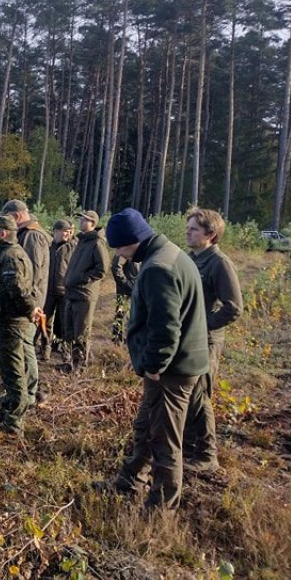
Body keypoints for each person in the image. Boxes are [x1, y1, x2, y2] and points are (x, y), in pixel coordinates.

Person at [99, 208, 208, 511]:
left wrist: (155, 366)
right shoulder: (170, 253)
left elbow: (165, 327)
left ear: (132, 241)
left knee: (165, 441)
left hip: (172, 370)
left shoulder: (158, 268)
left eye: (119, 247)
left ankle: (160, 510)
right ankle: (129, 480)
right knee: (146, 427)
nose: (119, 254)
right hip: (178, 363)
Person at [184, 208, 243, 472]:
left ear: (211, 235)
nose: (188, 231)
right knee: (185, 394)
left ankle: (208, 456)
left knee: (199, 395)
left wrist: (203, 324)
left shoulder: (219, 263)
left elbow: (233, 308)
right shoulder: (189, 259)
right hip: (186, 338)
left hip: (206, 341)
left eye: (194, 228)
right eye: (188, 227)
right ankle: (186, 448)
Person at [0, 214, 36, 435]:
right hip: (4, 319)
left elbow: (17, 289)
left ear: (3, 233)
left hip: (11, 322)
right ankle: (7, 409)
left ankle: (14, 422)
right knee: (7, 371)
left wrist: (30, 309)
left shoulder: (11, 256)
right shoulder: (6, 253)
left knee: (15, 373)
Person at [2, 200, 50, 406]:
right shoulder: (26, 234)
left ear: (16, 216)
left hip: (29, 302)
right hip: (24, 301)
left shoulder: (32, 236)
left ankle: (29, 394)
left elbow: (33, 273)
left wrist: (32, 305)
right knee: (19, 348)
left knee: (25, 346)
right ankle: (19, 392)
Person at [63, 210, 111, 370]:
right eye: (81, 219)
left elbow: (102, 269)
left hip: (84, 294)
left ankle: (80, 366)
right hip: (72, 292)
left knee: (81, 331)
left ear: (93, 223)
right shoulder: (81, 241)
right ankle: (72, 363)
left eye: (85, 220)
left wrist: (82, 279)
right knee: (70, 330)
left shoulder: (97, 242)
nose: (81, 222)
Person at [38, 218, 76, 361]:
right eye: (64, 231)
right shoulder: (48, 246)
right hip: (48, 290)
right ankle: (45, 348)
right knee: (44, 321)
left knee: (65, 323)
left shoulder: (73, 247)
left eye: (69, 231)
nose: (67, 234)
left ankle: (65, 351)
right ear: (56, 231)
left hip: (65, 291)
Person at [111, 253, 139, 344]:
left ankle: (130, 341)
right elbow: (116, 267)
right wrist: (126, 284)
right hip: (125, 291)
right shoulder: (126, 247)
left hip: (137, 289)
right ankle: (117, 342)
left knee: (134, 316)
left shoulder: (142, 247)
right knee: (121, 315)